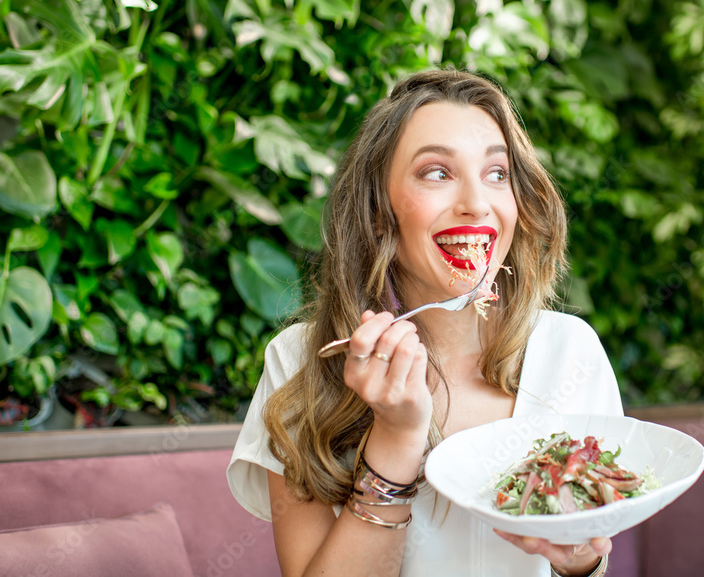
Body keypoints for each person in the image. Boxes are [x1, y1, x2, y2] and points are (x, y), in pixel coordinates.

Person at [227, 69, 622, 576]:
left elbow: (587, 552)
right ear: (377, 211)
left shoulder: (571, 353)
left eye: (497, 174)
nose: (477, 204)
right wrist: (395, 436)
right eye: (437, 172)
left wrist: (580, 560)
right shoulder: (301, 361)